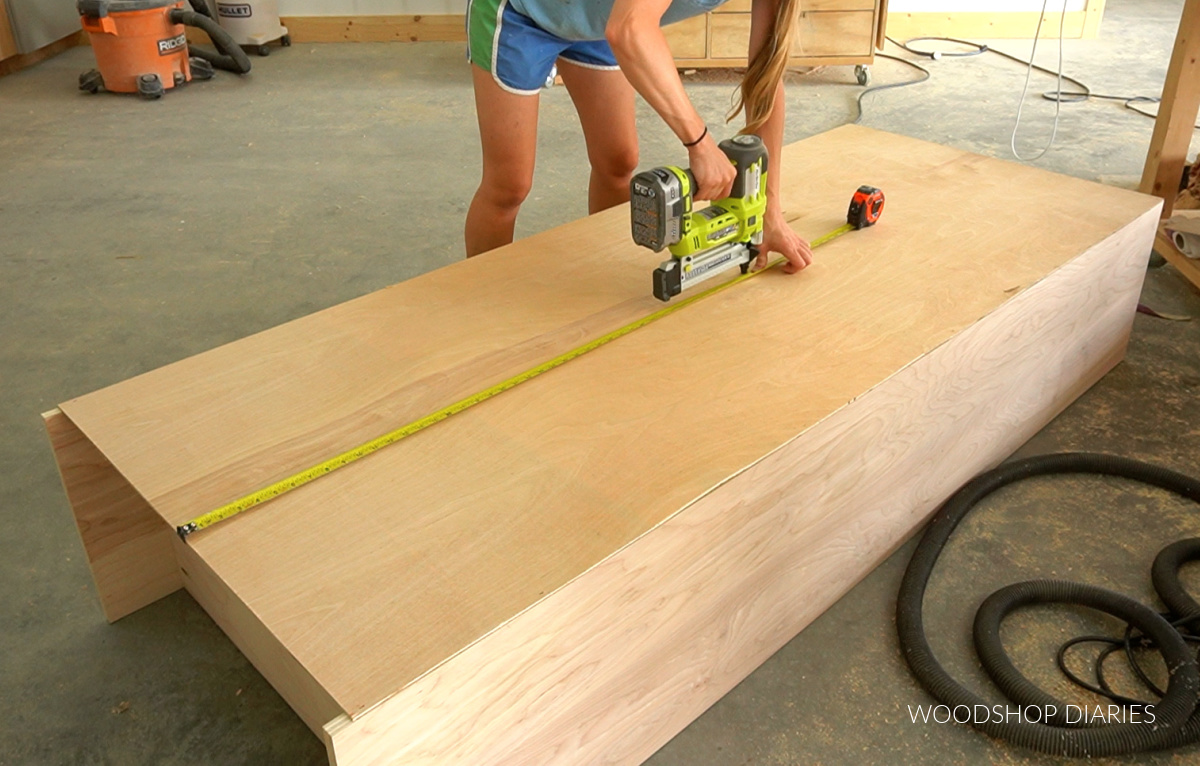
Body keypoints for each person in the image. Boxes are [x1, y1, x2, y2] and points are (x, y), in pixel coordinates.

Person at [464, 0, 814, 274]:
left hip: (598, 17)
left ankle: (601, 278)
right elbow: (629, 28)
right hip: (520, 14)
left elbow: (765, 79)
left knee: (618, 162)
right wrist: (700, 143)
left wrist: (768, 213)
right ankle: (480, 299)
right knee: (509, 186)